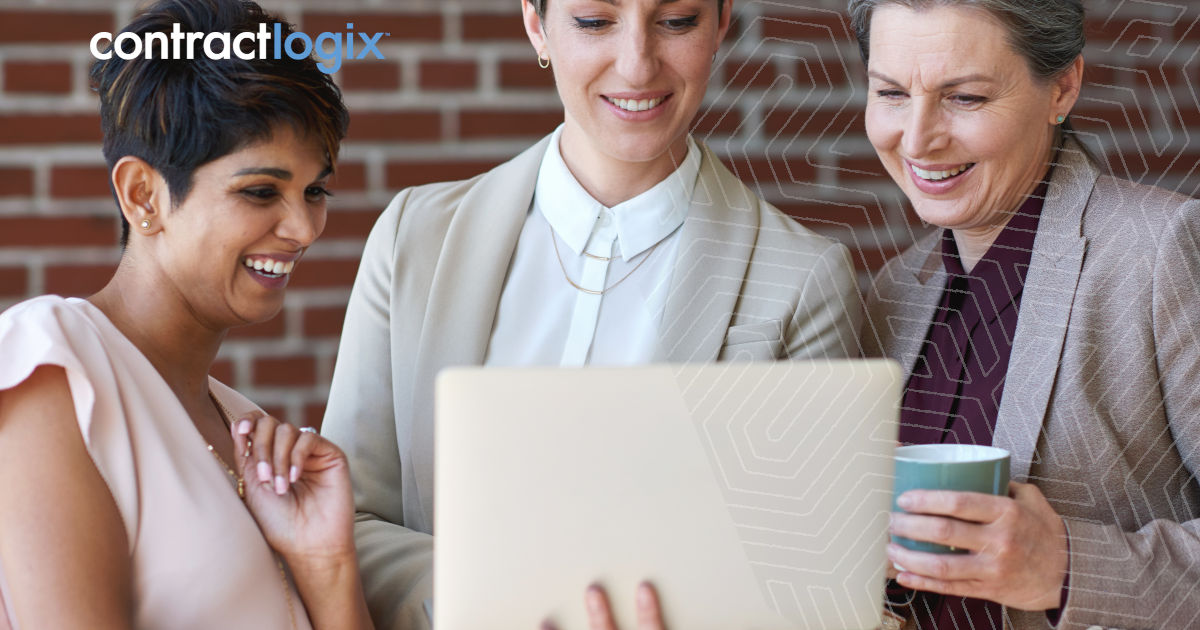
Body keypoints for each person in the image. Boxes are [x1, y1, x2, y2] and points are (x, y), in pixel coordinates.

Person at [320, 0, 862, 627]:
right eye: (594, 21)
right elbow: (349, 522)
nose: (636, 66)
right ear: (535, 23)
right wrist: (509, 604)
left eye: (677, 21)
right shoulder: (414, 239)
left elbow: (806, 587)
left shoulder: (801, 280)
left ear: (720, 24)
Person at [0, 1, 376, 628]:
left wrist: (326, 563)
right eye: (261, 191)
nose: (304, 226)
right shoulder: (53, 366)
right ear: (143, 195)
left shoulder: (247, 426)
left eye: (315, 191)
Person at [851, 0, 1200, 628]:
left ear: (1062, 86)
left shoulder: (1161, 250)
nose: (918, 137)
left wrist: (1066, 567)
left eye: (965, 98)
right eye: (892, 93)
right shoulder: (894, 290)